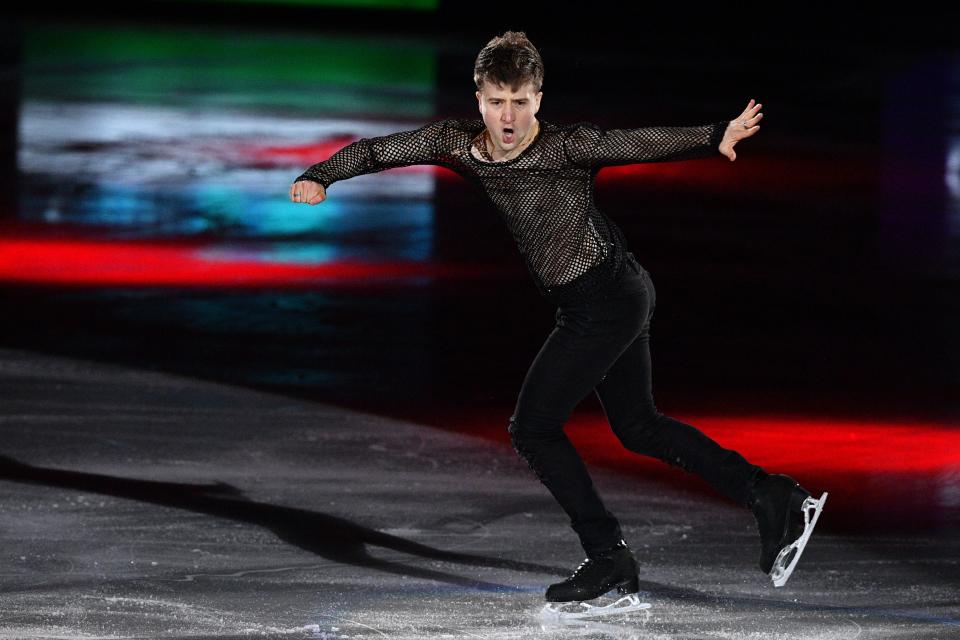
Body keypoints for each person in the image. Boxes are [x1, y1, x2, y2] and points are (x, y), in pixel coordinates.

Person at [290, 31, 827, 611]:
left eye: (521, 102)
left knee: (533, 428)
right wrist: (322, 174)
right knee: (639, 426)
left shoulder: (564, 148)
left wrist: (713, 136)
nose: (509, 117)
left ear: (539, 99)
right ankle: (771, 496)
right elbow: (377, 151)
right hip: (609, 295)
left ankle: (608, 558)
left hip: (608, 298)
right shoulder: (454, 143)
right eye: (498, 101)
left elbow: (634, 143)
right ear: (479, 99)